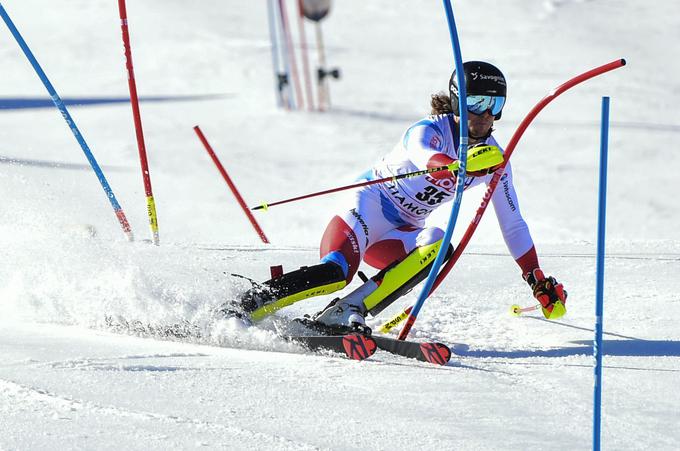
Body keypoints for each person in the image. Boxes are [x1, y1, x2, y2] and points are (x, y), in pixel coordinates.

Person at [234, 61, 567, 333]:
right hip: (366, 208)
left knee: (438, 246)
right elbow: (425, 157)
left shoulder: (495, 161)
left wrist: (535, 277)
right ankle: (246, 305)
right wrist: (453, 166)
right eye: (475, 103)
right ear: (455, 101)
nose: (484, 114)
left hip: (401, 232)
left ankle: (348, 310)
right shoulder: (429, 130)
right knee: (336, 273)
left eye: (494, 105)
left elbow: (513, 224)